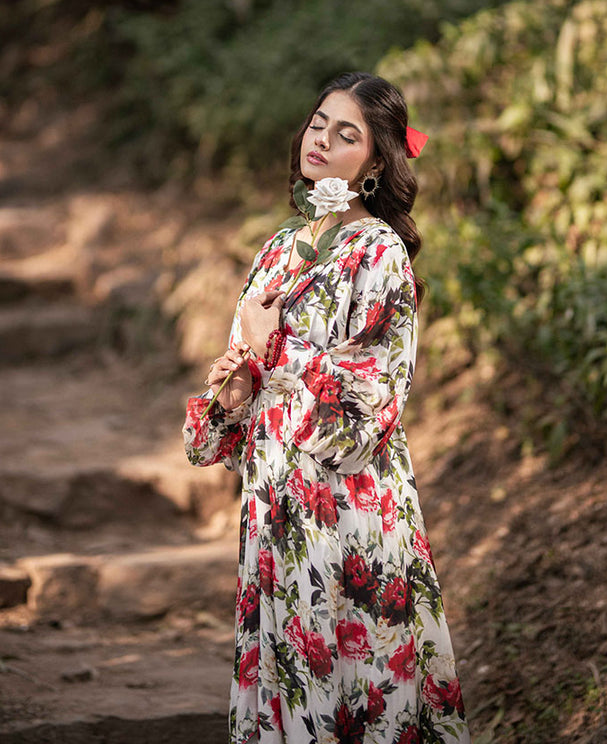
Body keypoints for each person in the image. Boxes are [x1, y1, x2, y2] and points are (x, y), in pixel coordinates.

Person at [183, 72, 471, 744]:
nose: (322, 141)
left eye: (346, 135)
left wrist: (274, 351)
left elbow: (367, 414)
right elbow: (230, 426)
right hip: (275, 513)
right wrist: (233, 392)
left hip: (348, 519)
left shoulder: (381, 254)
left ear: (375, 163)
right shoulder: (279, 249)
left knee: (357, 690)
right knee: (291, 693)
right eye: (318, 124)